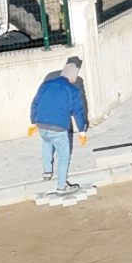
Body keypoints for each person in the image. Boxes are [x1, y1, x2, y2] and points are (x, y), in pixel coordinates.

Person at [30, 57, 89, 194]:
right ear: (72, 78)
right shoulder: (73, 90)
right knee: (64, 156)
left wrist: (33, 122)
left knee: (46, 143)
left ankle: (47, 171)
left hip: (42, 125)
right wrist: (82, 131)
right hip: (59, 128)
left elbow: (35, 103)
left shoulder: (46, 84)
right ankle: (62, 186)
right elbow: (78, 112)